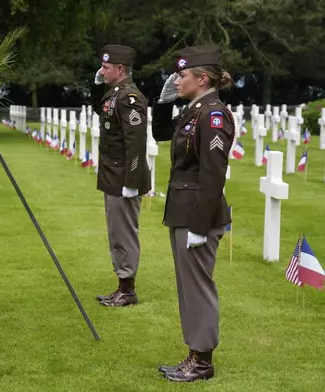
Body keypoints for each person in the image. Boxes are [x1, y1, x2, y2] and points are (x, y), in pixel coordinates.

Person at [151, 44, 234, 382]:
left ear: (201, 78)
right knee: (188, 286)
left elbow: (212, 174)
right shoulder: (194, 110)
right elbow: (160, 133)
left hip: (198, 215)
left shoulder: (214, 114)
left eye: (181, 75)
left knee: (197, 286)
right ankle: (194, 355)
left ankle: (202, 362)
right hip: (183, 211)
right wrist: (164, 100)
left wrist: (200, 225)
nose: (176, 79)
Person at [90, 45, 151, 307]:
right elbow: (100, 111)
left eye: (105, 67)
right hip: (113, 174)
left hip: (125, 177)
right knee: (116, 232)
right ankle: (122, 286)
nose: (102, 70)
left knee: (124, 233)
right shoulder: (116, 94)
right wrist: (96, 86)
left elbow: (135, 144)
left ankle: (128, 290)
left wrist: (131, 182)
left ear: (120, 69)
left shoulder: (130, 98)